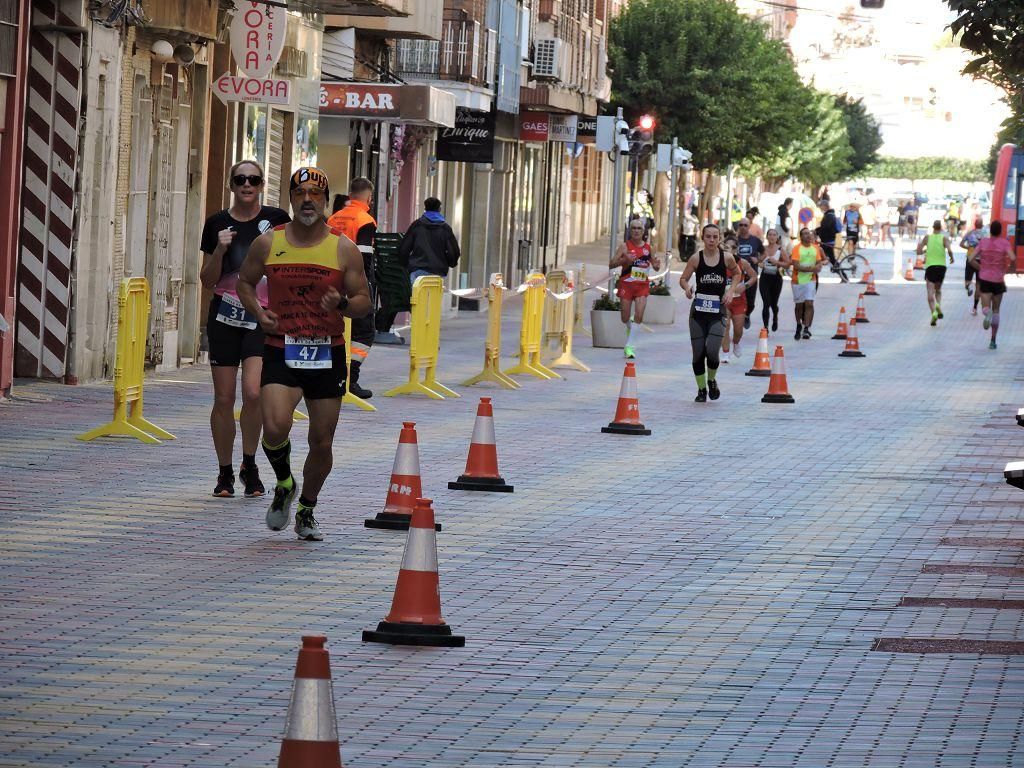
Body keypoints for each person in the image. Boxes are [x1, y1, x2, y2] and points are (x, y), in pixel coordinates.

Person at [236, 167, 371, 541]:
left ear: (326, 201)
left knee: (321, 441)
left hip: (326, 353)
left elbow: (364, 302)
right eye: (300, 194)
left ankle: (307, 509)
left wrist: (342, 303)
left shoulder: (343, 247)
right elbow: (245, 282)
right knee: (275, 427)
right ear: (290, 199)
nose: (308, 200)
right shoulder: (269, 243)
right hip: (281, 348)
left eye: (315, 193)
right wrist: (258, 312)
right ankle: (284, 482)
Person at [199, 160, 290, 499]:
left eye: (253, 179)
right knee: (223, 398)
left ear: (262, 184)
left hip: (261, 317)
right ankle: (224, 472)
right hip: (224, 315)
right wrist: (221, 249)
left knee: (253, 392)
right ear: (231, 184)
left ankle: (249, 463)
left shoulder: (277, 220)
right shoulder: (217, 223)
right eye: (240, 179)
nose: (247, 184)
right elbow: (207, 280)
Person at [680, 224, 743, 402]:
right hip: (698, 311)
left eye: (715, 237)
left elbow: (737, 274)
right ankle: (701, 390)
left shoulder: (727, 258)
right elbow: (683, 278)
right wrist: (686, 288)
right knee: (698, 353)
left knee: (712, 351)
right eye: (708, 237)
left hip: (718, 310)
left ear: (720, 238)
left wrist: (730, 291)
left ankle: (711, 380)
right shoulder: (696, 258)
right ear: (703, 237)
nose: (712, 240)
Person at [326, 177, 377, 398]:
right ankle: (350, 378)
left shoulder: (333, 218)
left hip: (330, 281)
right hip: (355, 284)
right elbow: (364, 257)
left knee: (336, 330)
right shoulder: (365, 219)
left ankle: (333, 377)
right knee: (364, 332)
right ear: (369, 197)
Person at [611, 217, 662, 359]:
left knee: (639, 315)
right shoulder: (624, 247)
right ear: (630, 231)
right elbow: (611, 264)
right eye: (633, 228)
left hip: (641, 286)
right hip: (626, 285)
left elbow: (656, 266)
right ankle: (630, 329)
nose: (636, 231)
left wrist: (657, 265)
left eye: (639, 228)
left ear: (643, 231)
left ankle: (629, 347)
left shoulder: (648, 248)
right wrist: (624, 260)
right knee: (624, 317)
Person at [969, 220, 1015, 349]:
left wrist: (980, 268)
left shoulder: (983, 242)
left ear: (990, 231)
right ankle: (993, 340)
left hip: (985, 278)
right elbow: (1012, 258)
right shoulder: (1004, 243)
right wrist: (1010, 269)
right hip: (998, 280)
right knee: (996, 310)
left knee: (985, 307)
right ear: (1000, 231)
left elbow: (970, 259)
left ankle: (986, 312)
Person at [398, 197, 461, 285]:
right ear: (439, 209)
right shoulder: (445, 228)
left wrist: (407, 265)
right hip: (438, 273)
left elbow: (404, 249)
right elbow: (454, 253)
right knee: (434, 298)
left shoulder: (416, 225)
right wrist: (449, 262)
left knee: (417, 298)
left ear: (425, 209)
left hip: (417, 272)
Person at [781, 227, 824, 340]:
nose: (808, 235)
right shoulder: (797, 249)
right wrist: (812, 269)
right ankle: (798, 325)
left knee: (809, 303)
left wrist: (817, 267)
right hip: (798, 281)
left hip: (811, 280)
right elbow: (796, 265)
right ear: (801, 237)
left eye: (809, 233)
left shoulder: (815, 248)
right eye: (805, 234)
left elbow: (819, 263)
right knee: (799, 305)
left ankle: (806, 328)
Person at [720, 233, 758, 361]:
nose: (730, 250)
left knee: (738, 330)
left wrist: (745, 286)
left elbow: (754, 276)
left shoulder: (743, 263)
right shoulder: (719, 263)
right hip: (724, 301)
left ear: (736, 249)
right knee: (725, 327)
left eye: (733, 248)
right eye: (727, 247)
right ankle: (725, 353)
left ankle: (736, 342)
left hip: (739, 300)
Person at [916, 220, 954, 326]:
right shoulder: (944, 238)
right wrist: (952, 258)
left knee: (930, 292)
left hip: (930, 267)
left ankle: (934, 312)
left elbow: (918, 251)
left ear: (933, 228)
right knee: (938, 290)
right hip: (941, 267)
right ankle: (938, 305)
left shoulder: (927, 238)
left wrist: (924, 250)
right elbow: (950, 250)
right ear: (940, 228)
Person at [734, 217, 764, 329]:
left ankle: (747, 315)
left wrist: (759, 260)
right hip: (737, 274)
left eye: (745, 225)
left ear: (749, 226)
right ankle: (737, 318)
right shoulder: (735, 240)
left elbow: (764, 253)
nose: (742, 227)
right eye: (740, 225)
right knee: (737, 298)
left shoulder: (755, 240)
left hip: (751, 275)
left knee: (750, 302)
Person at [758, 228, 785, 332]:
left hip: (776, 278)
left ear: (777, 237)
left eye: (774, 235)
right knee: (766, 303)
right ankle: (765, 327)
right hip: (765, 278)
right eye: (770, 234)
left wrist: (777, 263)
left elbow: (788, 264)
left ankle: (775, 317)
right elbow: (758, 261)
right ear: (767, 236)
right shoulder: (763, 249)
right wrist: (760, 263)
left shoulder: (780, 250)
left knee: (773, 303)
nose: (772, 236)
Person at [960, 216, 986, 315]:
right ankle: (975, 308)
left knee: (967, 281)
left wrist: (968, 247)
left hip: (971, 259)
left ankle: (969, 287)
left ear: (975, 224)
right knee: (979, 285)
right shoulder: (986, 234)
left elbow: (961, 244)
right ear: (982, 225)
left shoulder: (970, 233)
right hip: (982, 261)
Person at [816, 199, 839, 268]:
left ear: (824, 206)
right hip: (828, 240)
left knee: (816, 255)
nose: (820, 208)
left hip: (827, 240)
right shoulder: (829, 214)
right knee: (832, 259)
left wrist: (817, 231)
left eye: (820, 206)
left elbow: (826, 227)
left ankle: (811, 272)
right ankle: (842, 274)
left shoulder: (829, 216)